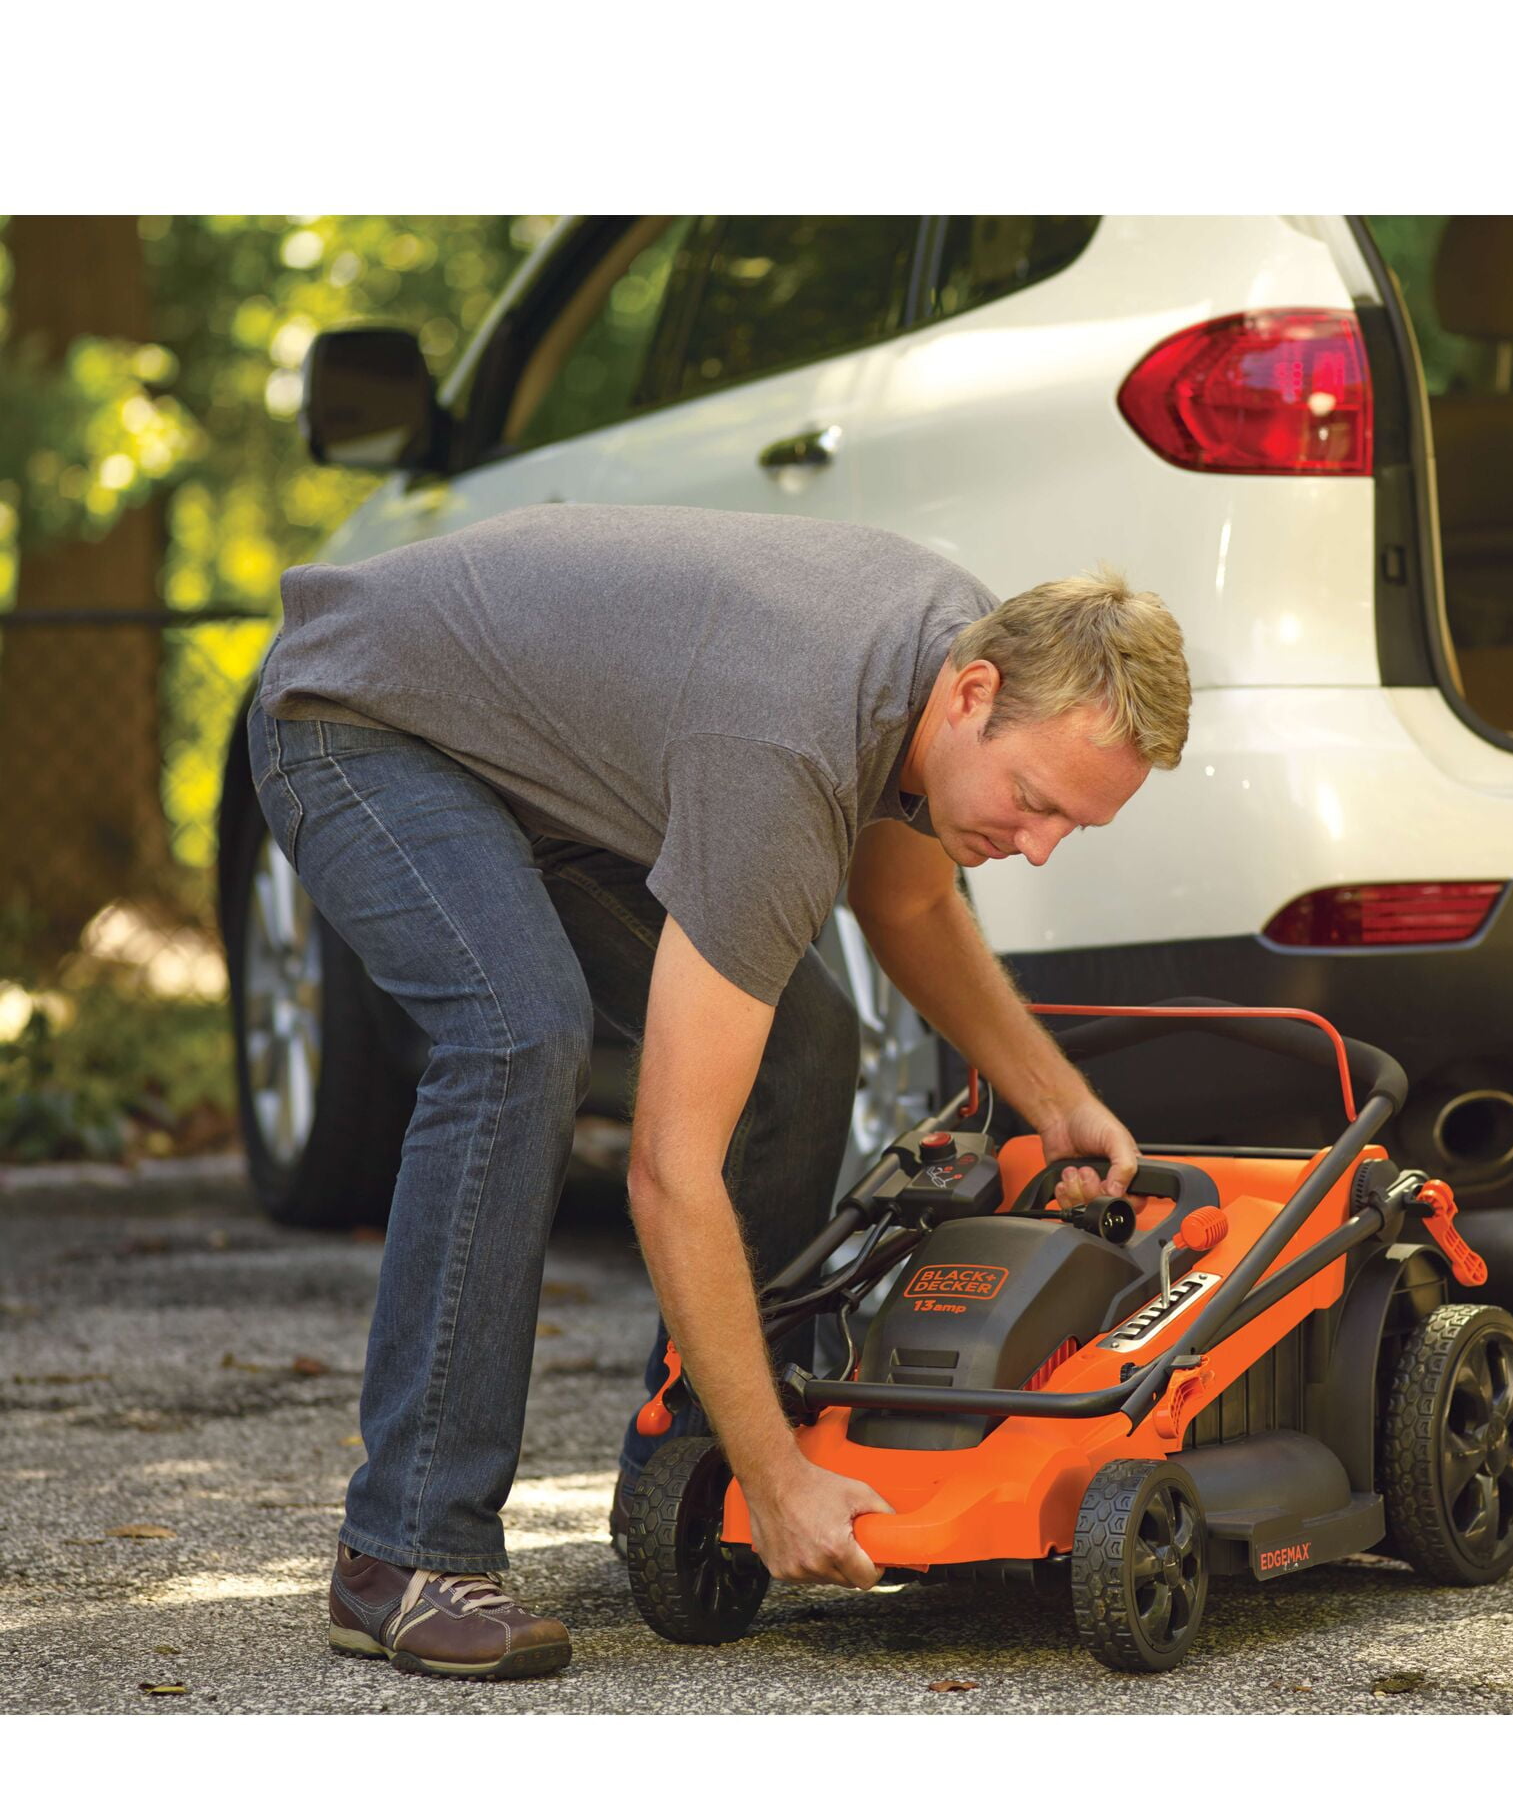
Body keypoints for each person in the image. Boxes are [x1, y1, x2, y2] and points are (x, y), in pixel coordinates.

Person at [247, 503, 1192, 1678]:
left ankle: (680, 1478)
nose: (1041, 845)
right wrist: (778, 1470)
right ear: (971, 695)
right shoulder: (788, 744)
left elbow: (903, 901)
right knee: (518, 1035)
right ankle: (405, 1548)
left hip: (550, 784)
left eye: (1073, 824)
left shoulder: (949, 662)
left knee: (803, 1046)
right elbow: (667, 1170)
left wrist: (1053, 1098)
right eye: (1036, 800)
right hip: (363, 724)